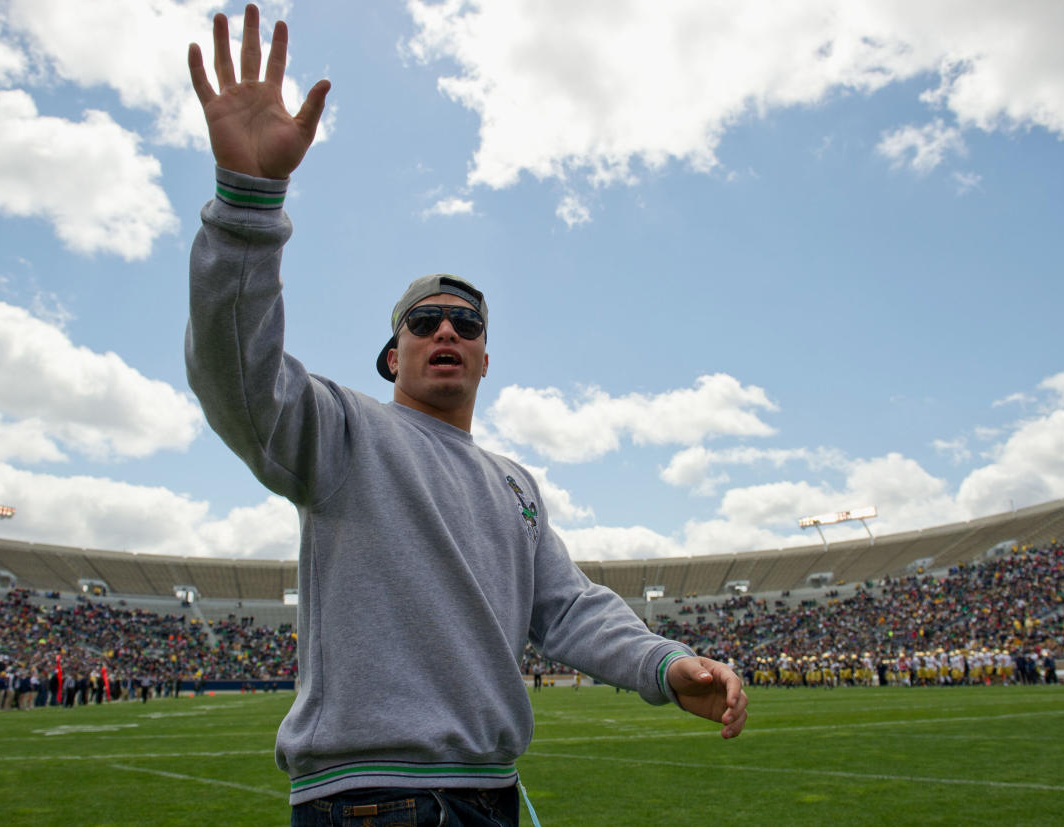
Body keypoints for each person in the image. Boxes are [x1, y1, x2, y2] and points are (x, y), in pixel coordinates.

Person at [185, 6, 747, 824]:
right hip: (372, 801)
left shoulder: (515, 485)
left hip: (490, 791)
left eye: (466, 324)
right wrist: (247, 204)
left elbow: (568, 608)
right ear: (394, 357)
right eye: (423, 321)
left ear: (485, 357)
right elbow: (238, 381)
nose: (446, 329)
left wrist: (665, 664)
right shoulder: (344, 431)